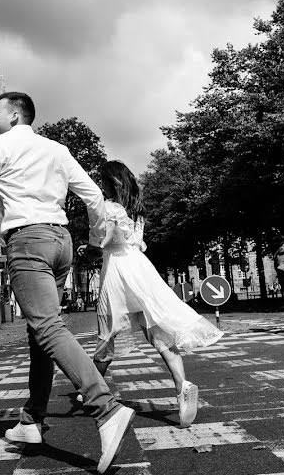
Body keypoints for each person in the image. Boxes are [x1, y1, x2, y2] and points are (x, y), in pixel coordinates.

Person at [0, 91, 135, 475]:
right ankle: (31, 420)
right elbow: (93, 195)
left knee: (47, 326)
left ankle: (105, 407)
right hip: (61, 241)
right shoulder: (57, 149)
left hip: (28, 242)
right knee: (39, 331)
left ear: (16, 115)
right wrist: (93, 237)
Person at [78, 160, 224, 428]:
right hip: (141, 269)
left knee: (107, 331)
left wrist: (89, 250)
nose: (101, 185)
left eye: (103, 180)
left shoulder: (110, 207)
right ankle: (182, 385)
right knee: (156, 331)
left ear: (111, 182)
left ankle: (90, 392)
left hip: (119, 271)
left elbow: (108, 240)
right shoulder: (138, 210)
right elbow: (137, 242)